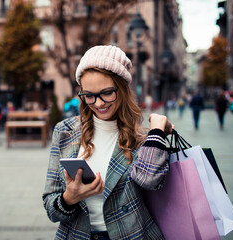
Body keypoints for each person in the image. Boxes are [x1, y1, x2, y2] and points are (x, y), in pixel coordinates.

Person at [42, 45, 174, 240]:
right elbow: (51, 207)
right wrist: (69, 198)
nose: (99, 103)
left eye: (106, 93)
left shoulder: (142, 136)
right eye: (89, 95)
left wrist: (156, 130)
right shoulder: (65, 132)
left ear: (122, 88)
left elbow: (150, 180)